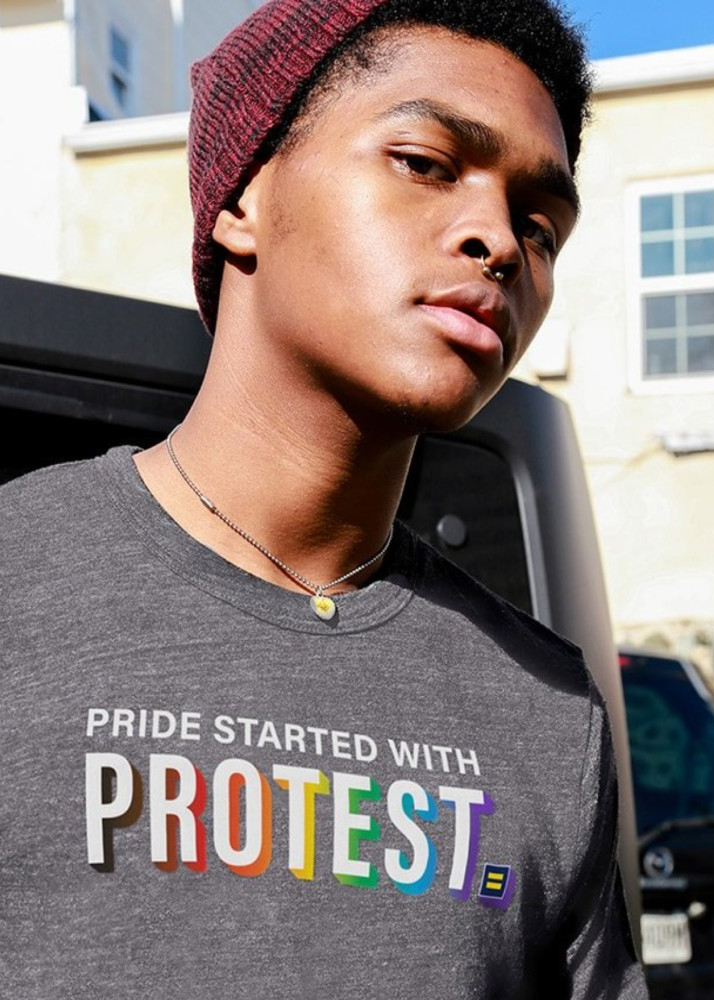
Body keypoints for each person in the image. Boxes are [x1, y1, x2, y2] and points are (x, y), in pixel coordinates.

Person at [0, 0, 647, 996]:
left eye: (540, 223)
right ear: (242, 200)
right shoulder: (18, 584)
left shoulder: (544, 706)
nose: (498, 242)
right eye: (426, 164)